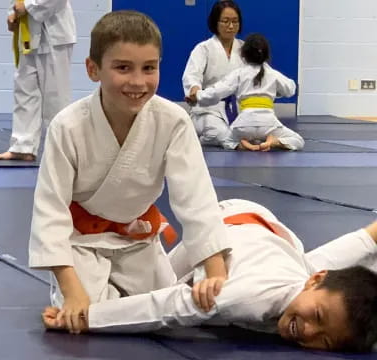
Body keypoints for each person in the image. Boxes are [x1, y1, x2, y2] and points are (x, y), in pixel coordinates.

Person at [29, 10, 231, 335]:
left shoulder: (173, 122)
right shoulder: (66, 127)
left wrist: (216, 274)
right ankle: (87, 294)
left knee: (177, 306)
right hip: (81, 242)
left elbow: (196, 200)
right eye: (123, 68)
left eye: (149, 68)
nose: (138, 82)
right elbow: (50, 210)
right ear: (93, 69)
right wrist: (71, 289)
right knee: (87, 314)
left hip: (138, 241)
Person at [42, 199, 377, 353]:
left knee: (347, 263)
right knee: (154, 292)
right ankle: (127, 237)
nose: (308, 331)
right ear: (316, 281)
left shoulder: (311, 278)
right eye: (317, 317)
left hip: (276, 241)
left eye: (325, 341)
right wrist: (86, 317)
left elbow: (361, 243)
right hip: (220, 227)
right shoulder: (249, 298)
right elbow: (170, 307)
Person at [187, 33, 304, 151]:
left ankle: (243, 144)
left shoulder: (239, 74)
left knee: (226, 139)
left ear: (243, 55)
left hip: (243, 125)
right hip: (269, 124)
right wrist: (277, 91)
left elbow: (217, 92)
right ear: (266, 55)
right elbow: (290, 89)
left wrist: (198, 96)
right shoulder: (272, 74)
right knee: (298, 140)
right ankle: (273, 142)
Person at [0, 0, 76, 161]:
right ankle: (23, 146)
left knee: (55, 95)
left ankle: (62, 150)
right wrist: (12, 13)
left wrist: (29, 7)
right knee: (24, 89)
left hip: (54, 34)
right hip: (27, 32)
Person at [182, 0, 244, 149]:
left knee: (257, 131)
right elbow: (192, 75)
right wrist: (195, 91)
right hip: (208, 110)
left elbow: (262, 72)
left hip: (238, 110)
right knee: (220, 133)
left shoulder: (244, 48)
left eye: (235, 22)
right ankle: (203, 137)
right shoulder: (203, 49)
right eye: (225, 21)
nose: (231, 26)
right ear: (215, 23)